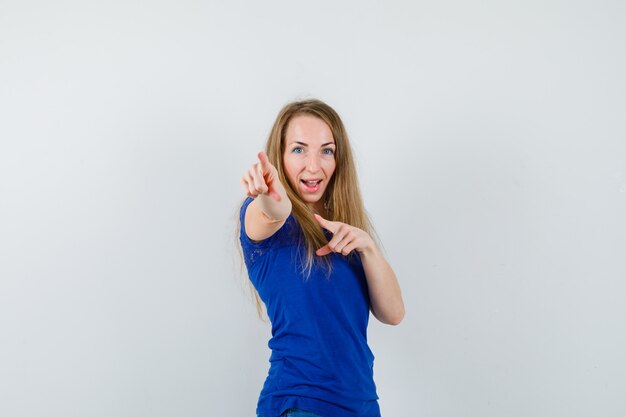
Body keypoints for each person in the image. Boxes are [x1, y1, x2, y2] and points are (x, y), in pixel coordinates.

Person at [239, 99, 404, 417]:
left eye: (326, 150)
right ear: (280, 155)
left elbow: (394, 314)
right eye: (299, 149)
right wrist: (270, 195)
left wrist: (367, 247)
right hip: (302, 403)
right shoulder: (268, 222)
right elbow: (273, 211)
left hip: (363, 405)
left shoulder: (346, 232)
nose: (313, 166)